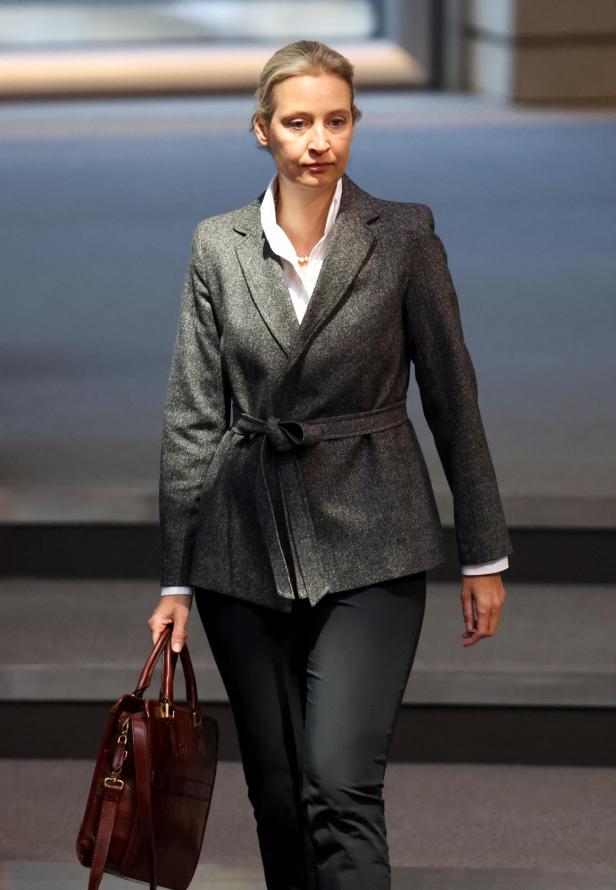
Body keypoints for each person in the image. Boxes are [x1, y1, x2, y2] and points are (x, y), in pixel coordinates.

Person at [147, 39, 512, 890]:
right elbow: (192, 415)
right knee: (277, 795)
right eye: (299, 122)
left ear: (355, 125)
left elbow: (453, 395)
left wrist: (483, 549)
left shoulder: (405, 237)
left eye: (337, 120)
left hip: (376, 533)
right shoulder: (219, 245)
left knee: (341, 786)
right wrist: (176, 579)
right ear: (262, 131)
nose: (320, 140)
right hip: (244, 547)